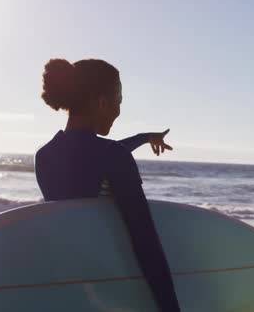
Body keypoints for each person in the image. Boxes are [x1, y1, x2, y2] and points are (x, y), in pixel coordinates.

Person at [35, 58, 180, 312]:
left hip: (66, 289)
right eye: (119, 101)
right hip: (109, 291)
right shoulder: (112, 157)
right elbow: (146, 243)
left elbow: (87, 155)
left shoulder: (45, 156)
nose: (118, 111)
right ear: (102, 102)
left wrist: (145, 138)